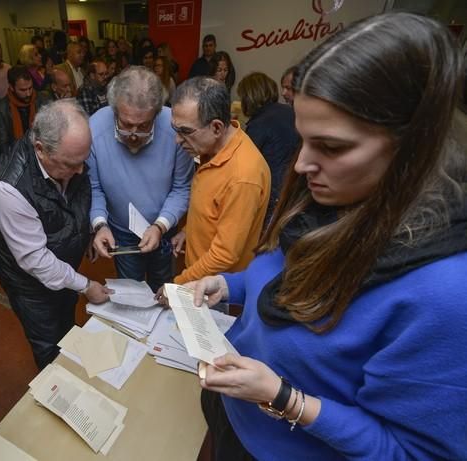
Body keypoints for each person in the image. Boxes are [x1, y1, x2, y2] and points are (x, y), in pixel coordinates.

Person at [188, 12, 467, 460]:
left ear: (414, 143)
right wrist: (230, 284)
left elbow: (412, 453)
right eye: (303, 139)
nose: (300, 165)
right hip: (237, 419)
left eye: (332, 147)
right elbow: (287, 275)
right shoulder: (337, 195)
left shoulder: (446, 293)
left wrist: (284, 398)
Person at [0, 99, 112, 369]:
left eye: (83, 161)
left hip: (64, 269)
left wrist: (88, 232)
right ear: (40, 149)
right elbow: (36, 261)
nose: (80, 171)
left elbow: (76, 197)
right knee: (50, 344)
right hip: (32, 286)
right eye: (70, 164)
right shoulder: (6, 189)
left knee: (68, 326)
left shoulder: (69, 155)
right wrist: (86, 286)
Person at [89, 66, 194, 292]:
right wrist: (100, 224)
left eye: (144, 125)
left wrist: (160, 226)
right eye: (126, 125)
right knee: (131, 291)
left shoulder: (175, 127)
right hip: (120, 231)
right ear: (114, 111)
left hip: (164, 228)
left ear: (157, 114)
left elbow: (181, 187)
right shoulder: (95, 127)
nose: (134, 134)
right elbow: (94, 188)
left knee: (163, 287)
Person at [170, 77, 270, 286]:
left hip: (217, 287)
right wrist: (187, 231)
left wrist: (179, 284)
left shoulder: (243, 176)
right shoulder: (212, 148)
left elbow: (225, 254)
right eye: (175, 129)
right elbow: (212, 208)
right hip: (199, 274)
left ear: (216, 127)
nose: (177, 140)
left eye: (185, 131)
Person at [237, 72, 299, 221]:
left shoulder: (258, 124)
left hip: (273, 193)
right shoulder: (290, 112)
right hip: (294, 187)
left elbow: (242, 163)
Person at [0, 66, 37, 156]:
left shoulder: (41, 99)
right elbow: (3, 143)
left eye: (30, 88)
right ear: (11, 87)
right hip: (17, 155)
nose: (28, 93)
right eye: (23, 90)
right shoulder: (2, 107)